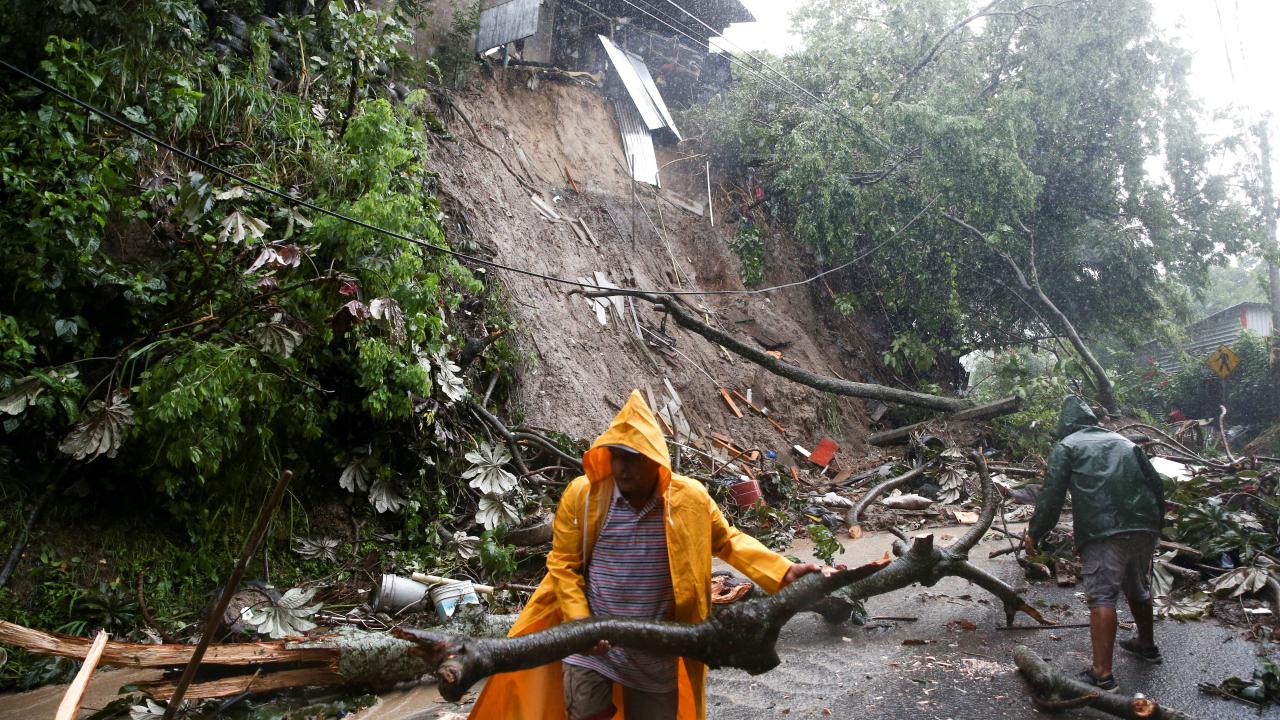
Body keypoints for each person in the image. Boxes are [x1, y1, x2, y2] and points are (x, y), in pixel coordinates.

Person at [468, 390, 830, 720]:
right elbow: (563, 566)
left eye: (633, 459)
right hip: (592, 643)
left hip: (658, 647)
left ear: (655, 460)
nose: (622, 468)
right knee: (584, 712)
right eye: (616, 456)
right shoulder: (585, 496)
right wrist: (580, 624)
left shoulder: (690, 499)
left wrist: (783, 572)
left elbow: (728, 541)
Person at [1023, 396, 1165, 691]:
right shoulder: (1126, 444)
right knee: (1138, 585)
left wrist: (1034, 532)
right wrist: (1156, 523)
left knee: (1102, 596)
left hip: (1104, 530)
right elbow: (1156, 484)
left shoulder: (1068, 446)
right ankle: (1147, 645)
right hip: (1144, 525)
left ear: (1066, 425)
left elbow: (1051, 497)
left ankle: (1102, 674)